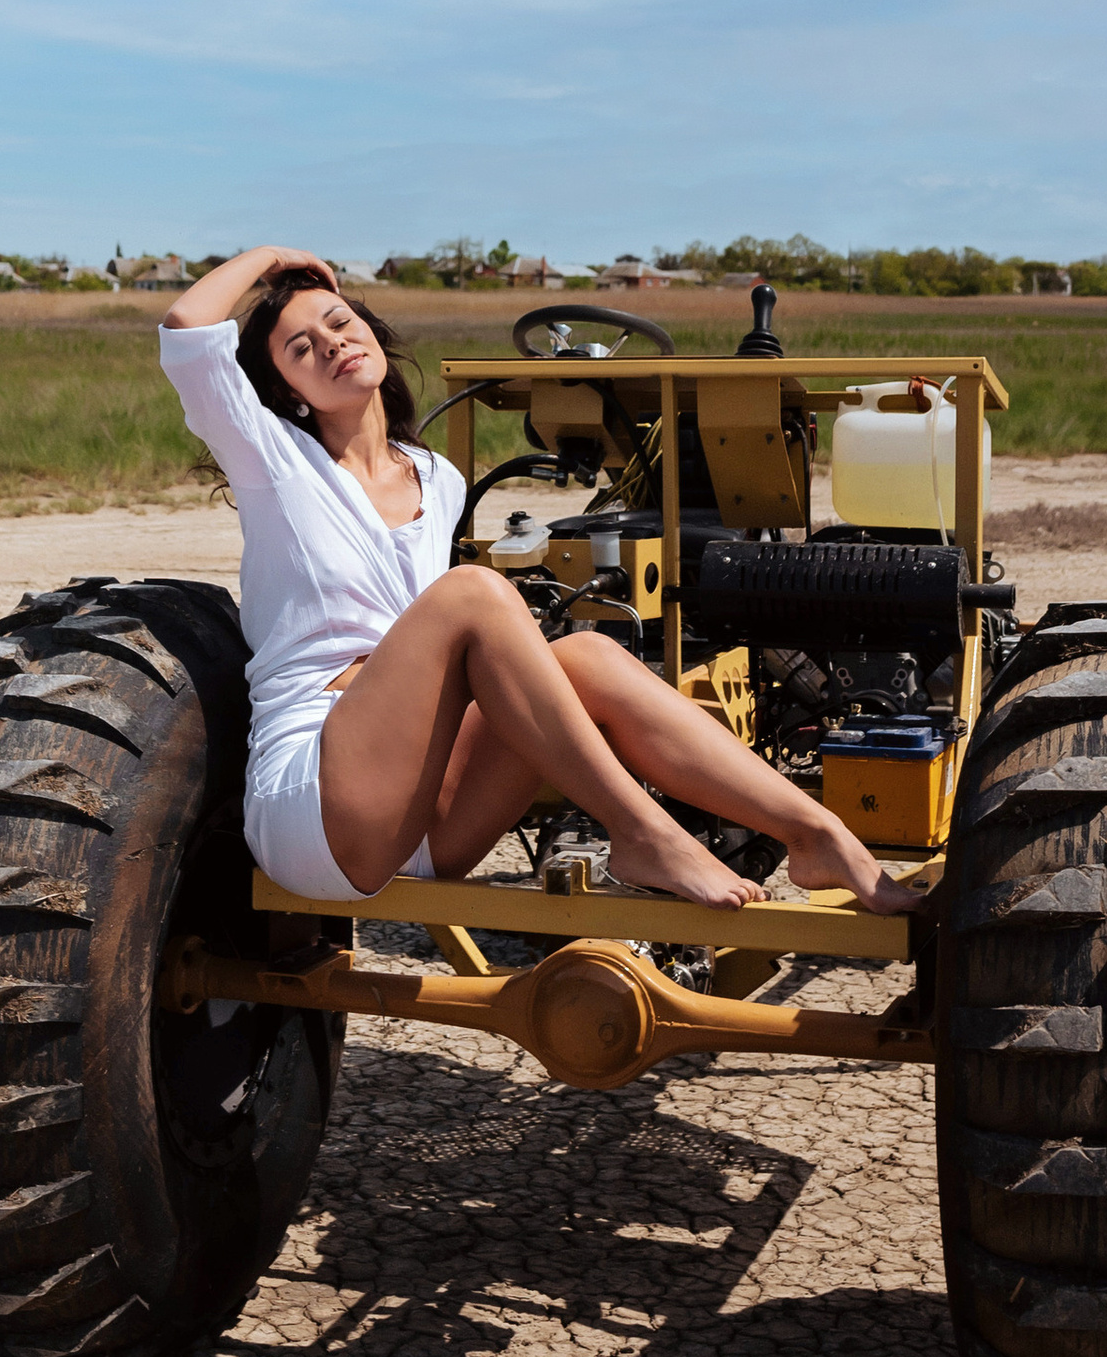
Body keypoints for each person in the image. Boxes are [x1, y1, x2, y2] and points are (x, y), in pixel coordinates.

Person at [161, 243, 922, 916]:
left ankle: (817, 832)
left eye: (338, 321)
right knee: (472, 594)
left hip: (423, 824)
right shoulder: (273, 461)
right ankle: (643, 832)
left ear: (368, 330)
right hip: (317, 809)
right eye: (301, 347)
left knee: (587, 655)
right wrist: (275, 257)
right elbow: (188, 329)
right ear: (288, 389)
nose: (331, 343)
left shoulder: (436, 477)